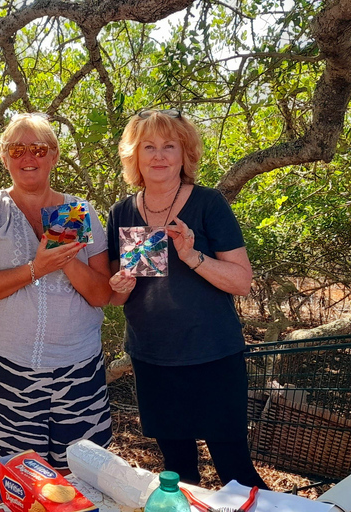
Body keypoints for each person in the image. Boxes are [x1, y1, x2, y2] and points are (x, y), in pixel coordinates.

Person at [0, 113, 113, 505]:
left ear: (54, 155)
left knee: (70, 475)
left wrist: (65, 260)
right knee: (11, 471)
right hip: (1, 367)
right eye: (17, 149)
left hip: (76, 369)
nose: (28, 157)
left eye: (38, 148)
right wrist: (34, 269)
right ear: (4, 157)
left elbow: (100, 294)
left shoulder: (79, 211)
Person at [107, 108, 268, 489]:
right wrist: (119, 286)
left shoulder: (208, 204)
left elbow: (242, 281)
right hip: (153, 359)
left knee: (235, 470)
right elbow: (115, 298)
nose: (159, 156)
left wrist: (193, 257)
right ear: (135, 156)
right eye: (149, 147)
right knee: (177, 473)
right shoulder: (122, 212)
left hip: (212, 355)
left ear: (185, 155)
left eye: (169, 146)